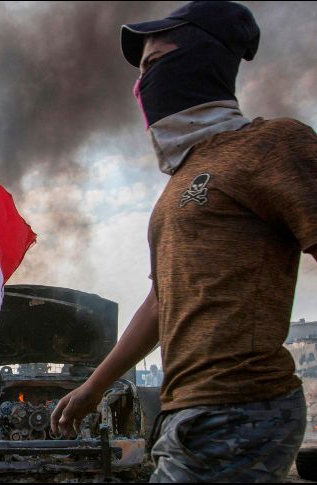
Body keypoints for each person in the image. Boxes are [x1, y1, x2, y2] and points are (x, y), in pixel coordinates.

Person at [50, 2, 317, 482]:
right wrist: (95, 387)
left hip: (242, 406)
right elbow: (161, 302)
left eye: (155, 63)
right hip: (186, 412)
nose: (143, 84)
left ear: (201, 60)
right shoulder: (179, 183)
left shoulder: (274, 145)